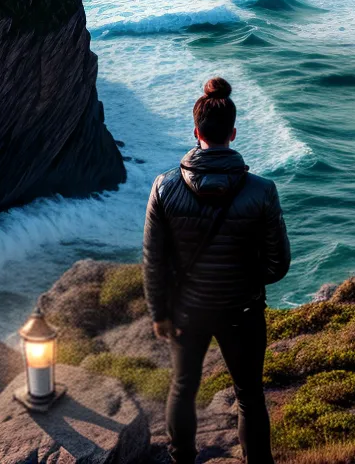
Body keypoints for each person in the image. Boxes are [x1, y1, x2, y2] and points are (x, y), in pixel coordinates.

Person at [143, 77, 290, 464]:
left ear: (196, 132)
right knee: (249, 396)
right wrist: (246, 280)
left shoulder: (164, 187)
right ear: (233, 133)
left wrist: (159, 313)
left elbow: (153, 260)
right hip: (242, 310)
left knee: (183, 387)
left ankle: (182, 460)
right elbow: (278, 263)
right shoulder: (262, 190)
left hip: (187, 310)